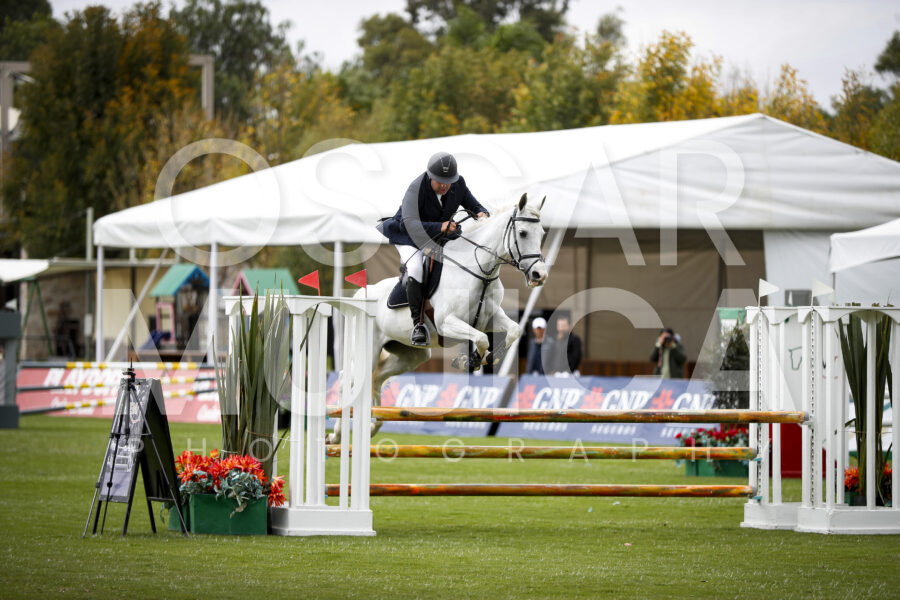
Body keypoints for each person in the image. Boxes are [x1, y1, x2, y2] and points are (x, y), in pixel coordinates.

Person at [377, 152, 490, 346]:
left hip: (438, 235)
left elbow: (474, 205)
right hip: (409, 236)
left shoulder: (458, 183)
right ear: (430, 176)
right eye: (440, 181)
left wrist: (482, 213)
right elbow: (408, 224)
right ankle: (418, 325)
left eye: (448, 182)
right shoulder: (416, 189)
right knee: (415, 268)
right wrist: (440, 226)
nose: (444, 186)